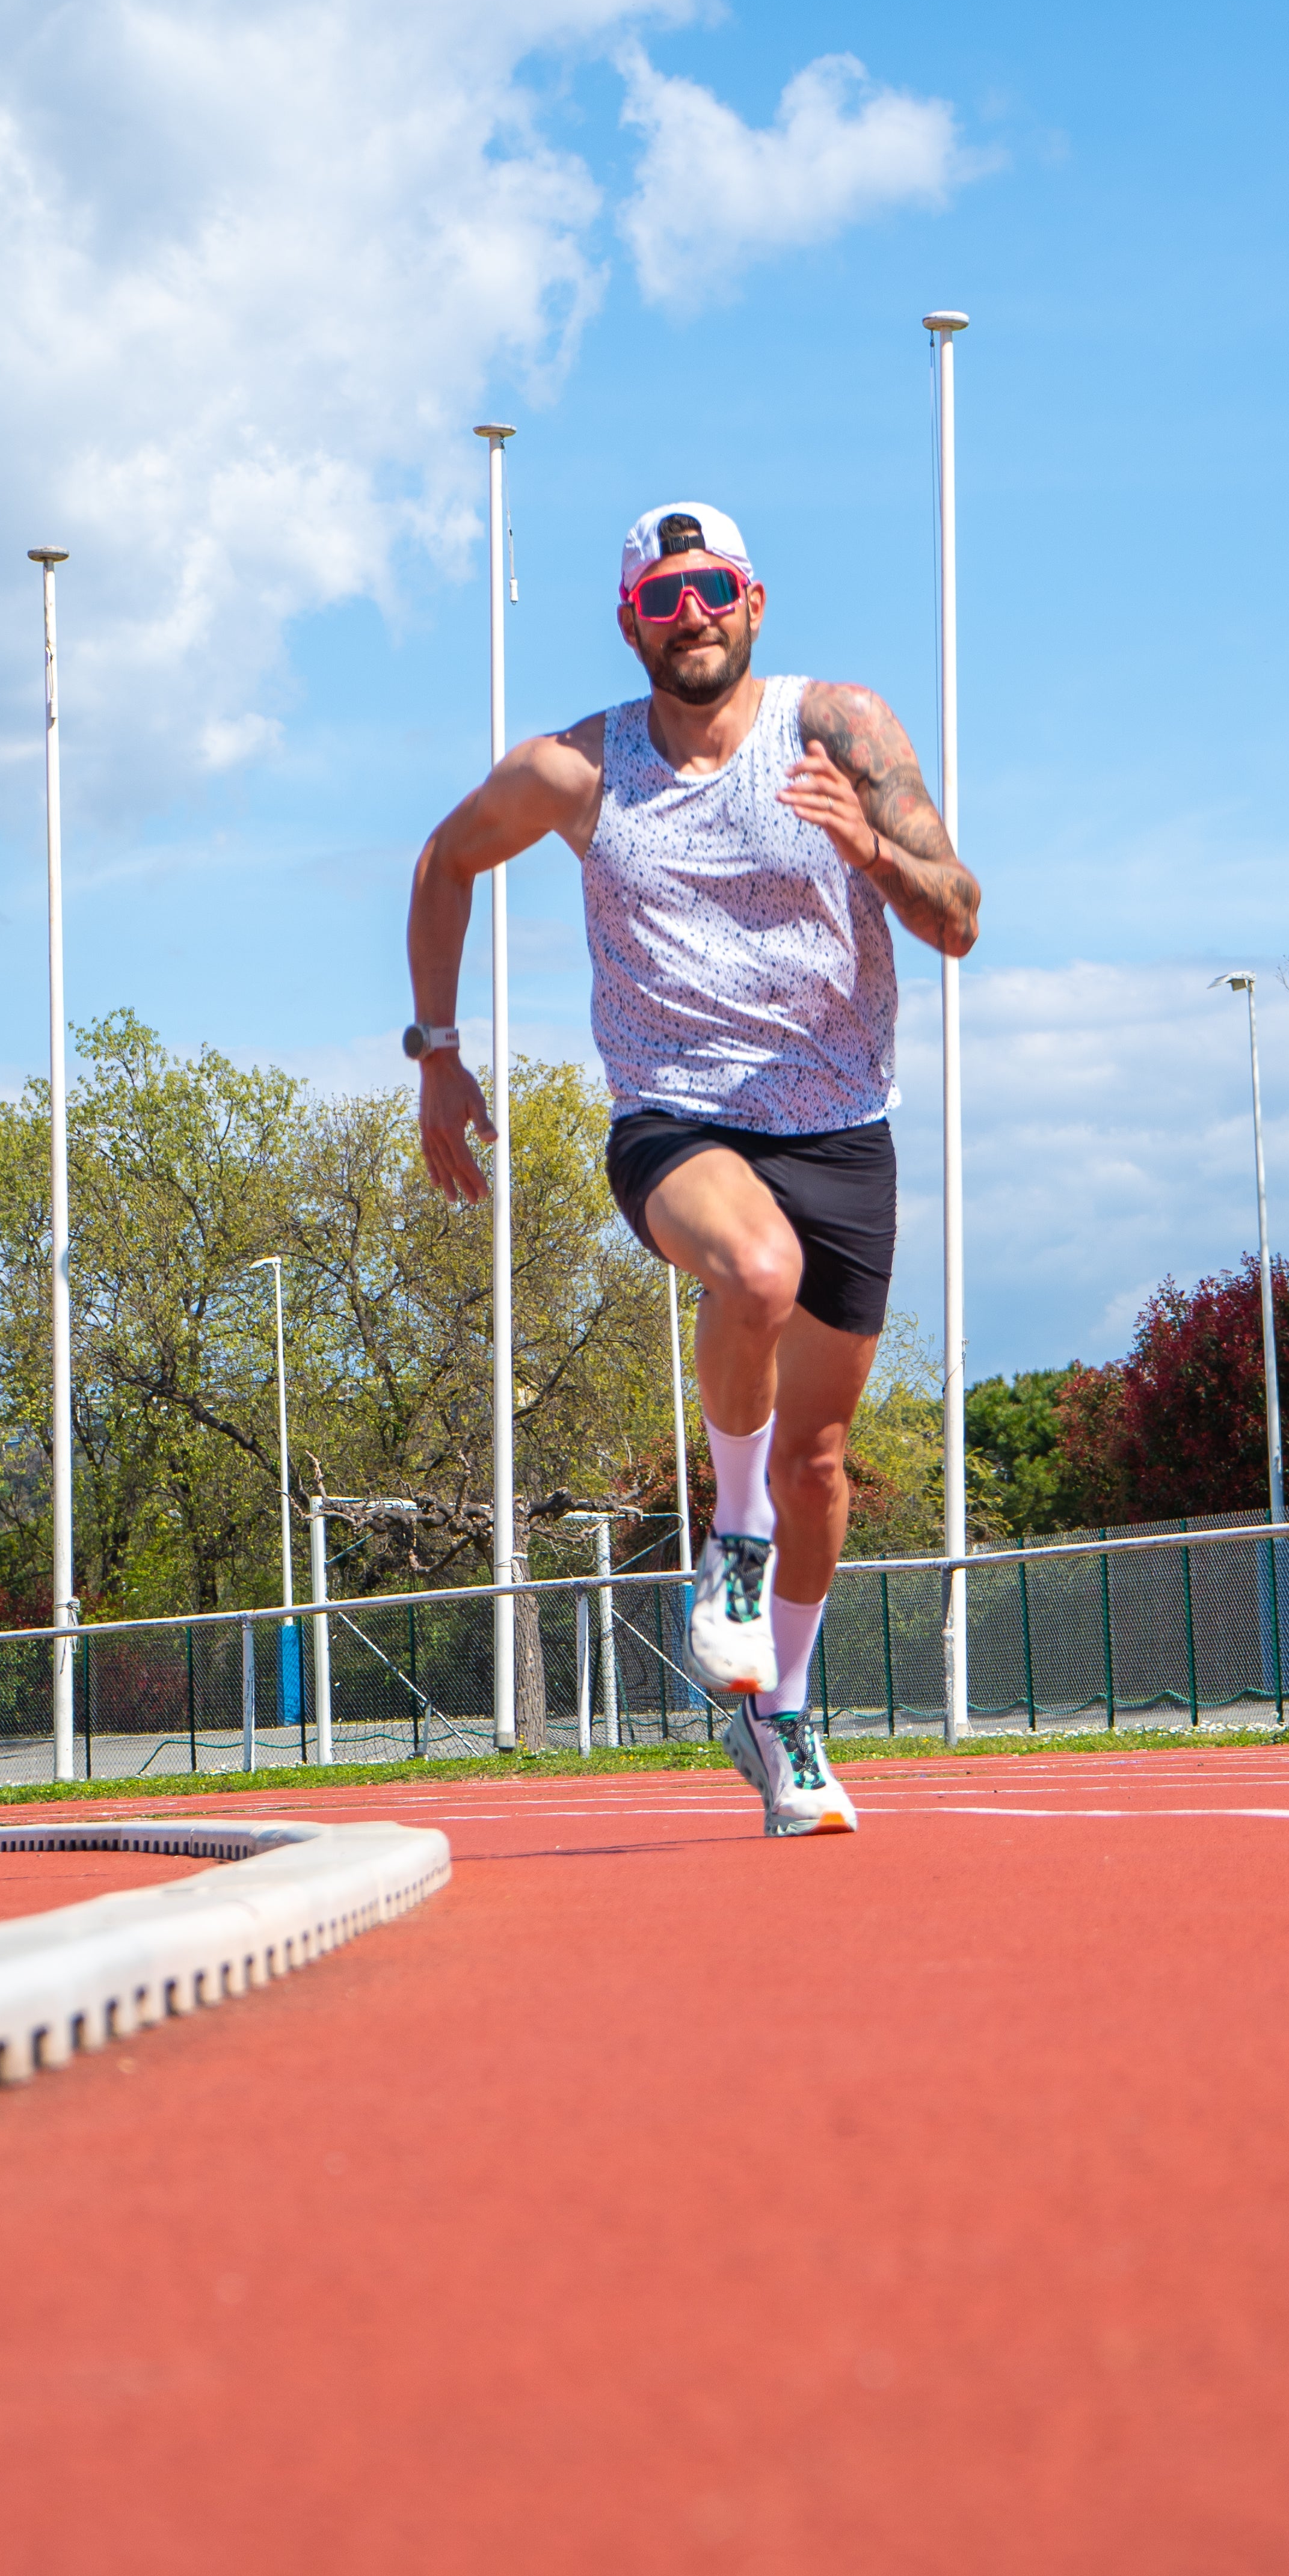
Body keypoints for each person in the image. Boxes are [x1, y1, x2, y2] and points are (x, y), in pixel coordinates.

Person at [405, 497, 981, 1835]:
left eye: (711, 588)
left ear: (754, 600)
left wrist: (869, 849)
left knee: (824, 1463)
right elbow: (444, 859)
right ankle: (727, 1550)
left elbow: (957, 919)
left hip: (841, 1121)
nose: (693, 614)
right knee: (755, 1272)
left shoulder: (841, 728)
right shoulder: (577, 771)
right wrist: (437, 1049)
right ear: (629, 625)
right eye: (663, 600)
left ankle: (780, 1716)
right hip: (676, 1117)